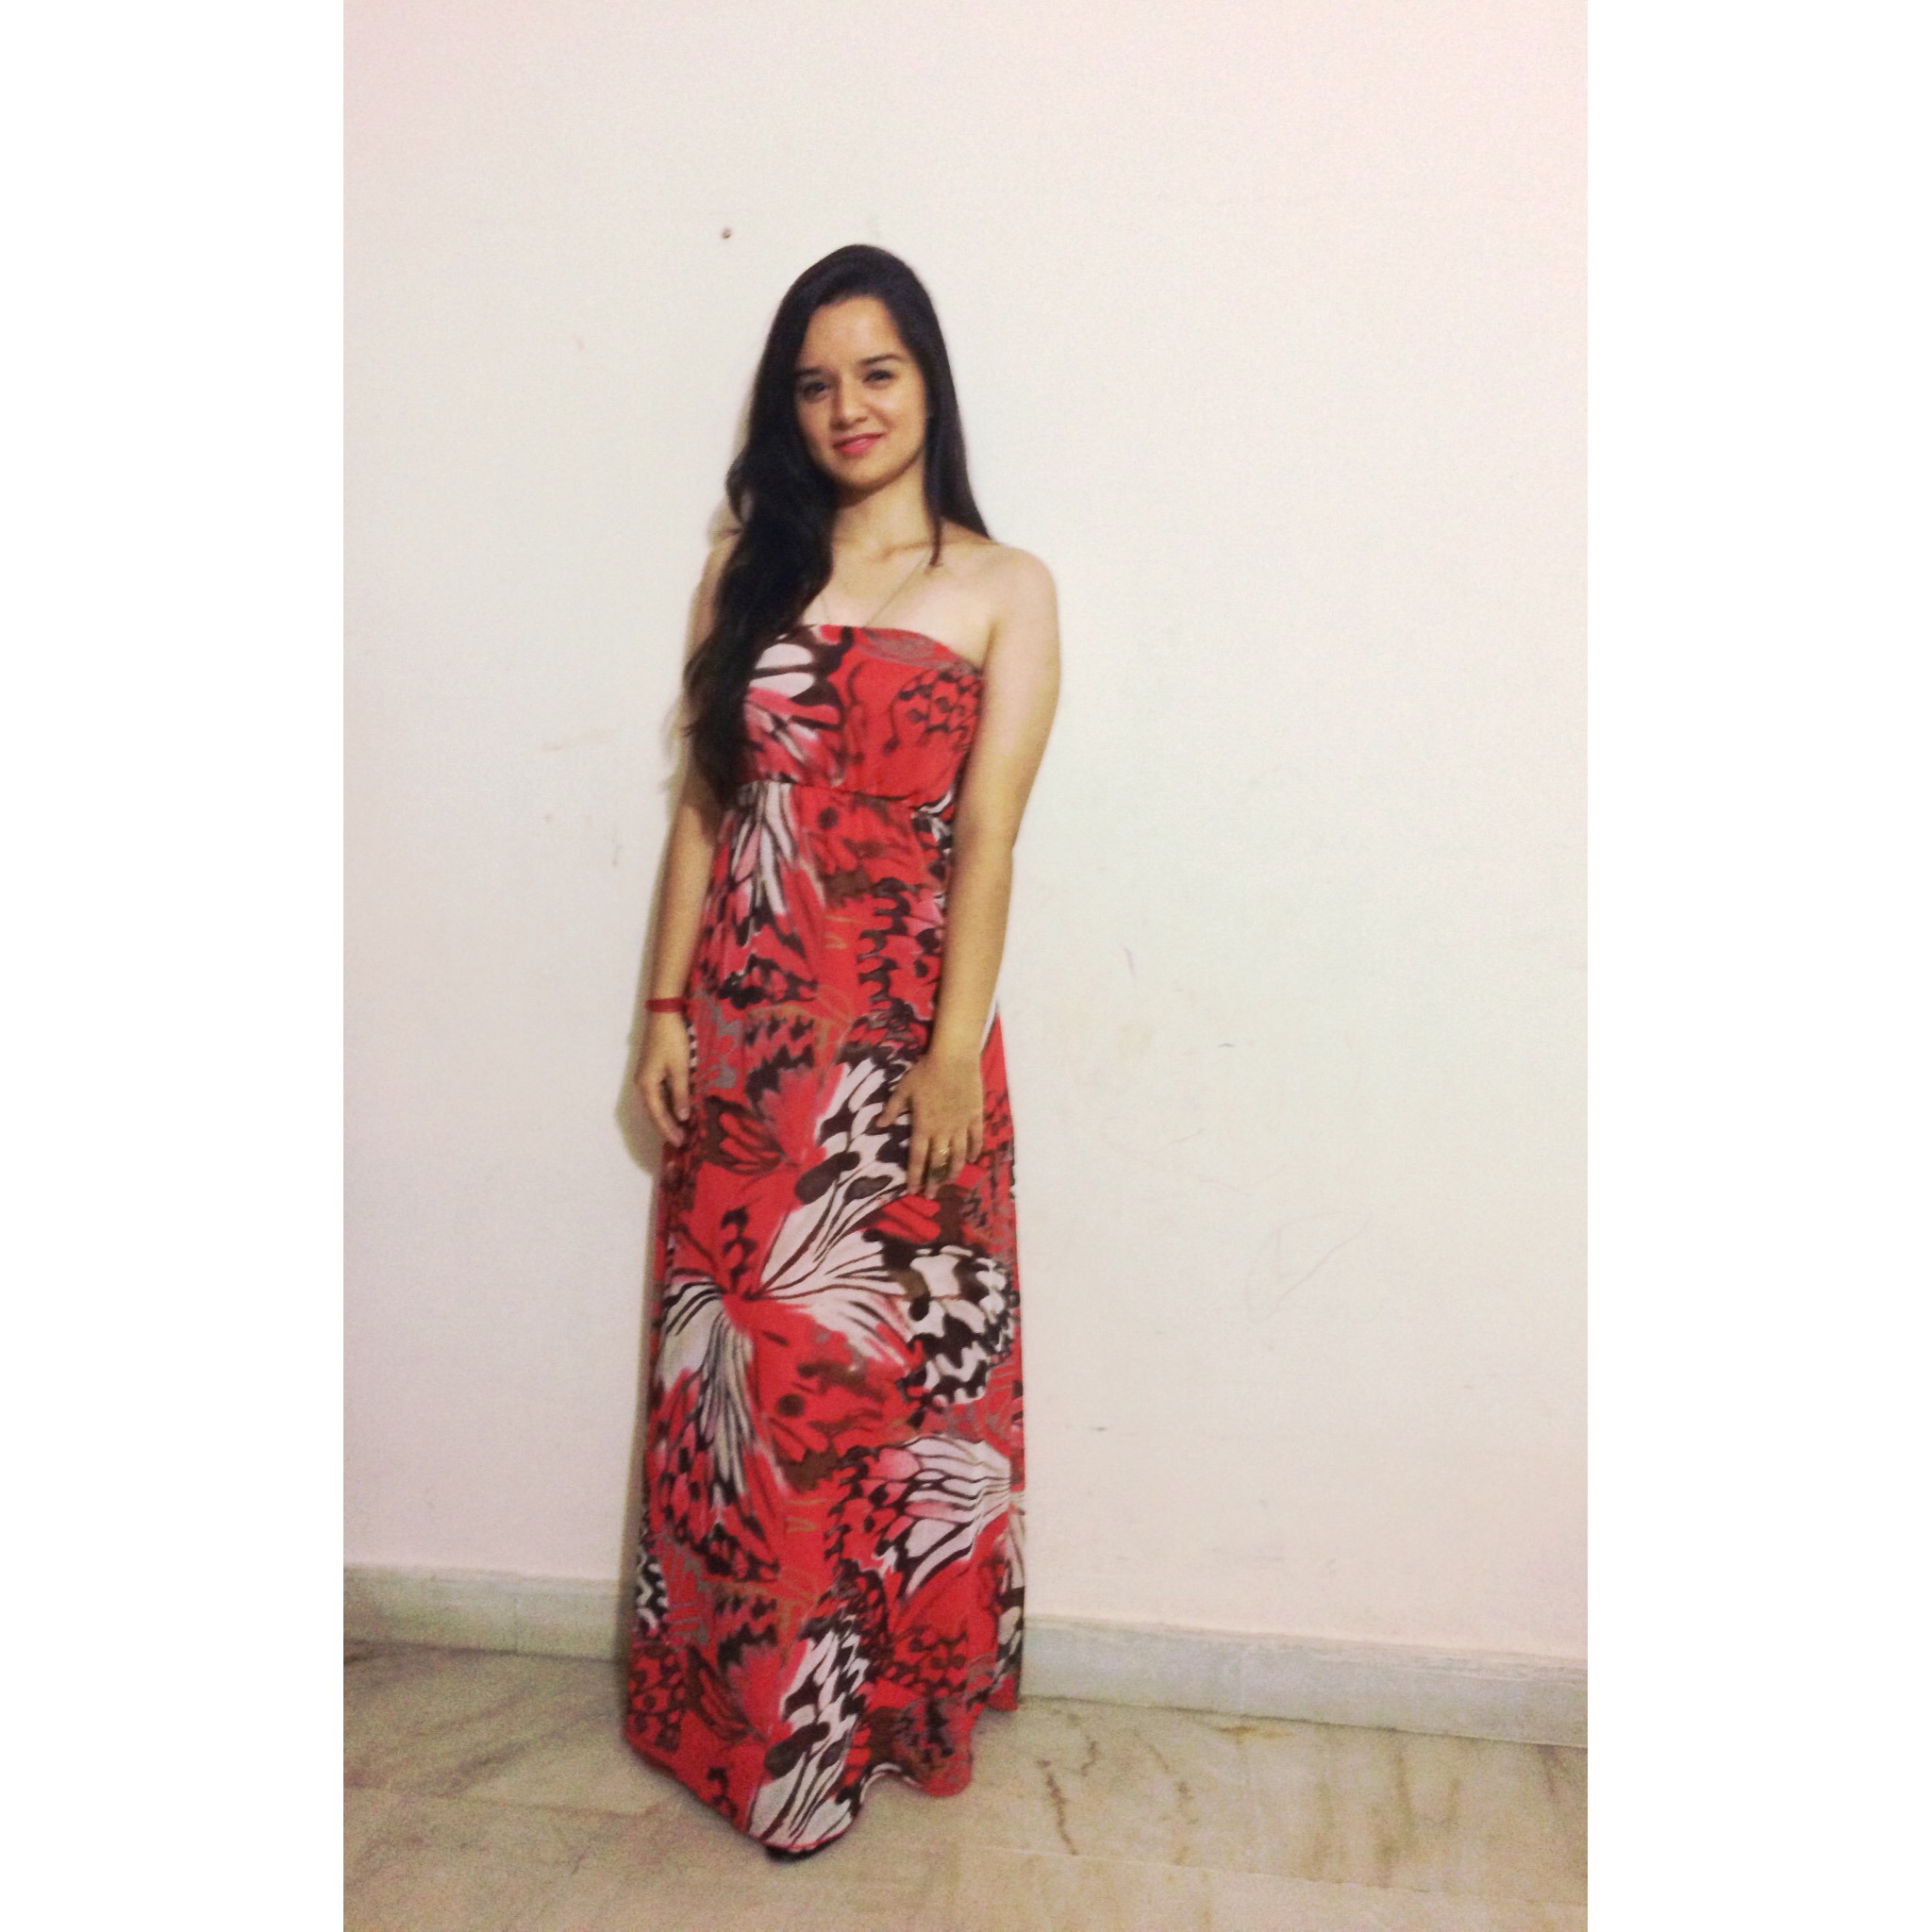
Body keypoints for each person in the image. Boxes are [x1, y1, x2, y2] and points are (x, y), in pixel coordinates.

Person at [624, 243, 1060, 1857]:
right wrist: (663, 1008)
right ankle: (736, 1721)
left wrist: (951, 1057)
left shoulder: (1006, 586)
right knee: (746, 1385)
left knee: (887, 1399)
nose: (847, 408)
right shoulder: (747, 574)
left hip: (900, 1046)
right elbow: (705, 806)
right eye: (814, 385)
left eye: (878, 373)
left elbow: (989, 838)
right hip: (747, 1046)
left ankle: (878, 1716)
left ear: (929, 382)